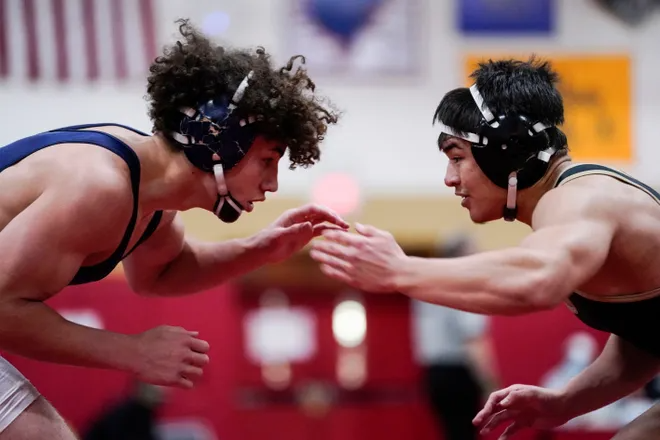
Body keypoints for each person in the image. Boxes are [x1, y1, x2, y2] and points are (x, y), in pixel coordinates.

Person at [0, 18, 348, 439]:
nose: (272, 184)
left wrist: (260, 249)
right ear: (221, 141)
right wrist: (131, 351)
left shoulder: (149, 200)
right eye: (267, 161)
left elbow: (162, 274)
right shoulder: (100, 187)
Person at [309, 56, 660, 440]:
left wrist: (401, 270)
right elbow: (643, 342)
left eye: (457, 157)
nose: (448, 178)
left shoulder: (581, 198)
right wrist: (565, 402)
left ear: (506, 149)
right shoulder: (572, 208)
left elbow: (537, 280)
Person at [411, 233, 499, 440]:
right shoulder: (463, 285)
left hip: (434, 375)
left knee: (452, 432)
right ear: (463, 256)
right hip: (458, 374)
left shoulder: (428, 285)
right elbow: (473, 339)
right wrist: (490, 384)